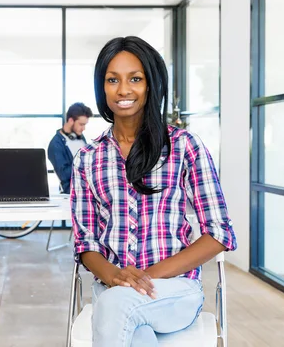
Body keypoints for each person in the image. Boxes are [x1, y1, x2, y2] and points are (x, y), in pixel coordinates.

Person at [70, 36, 237, 346]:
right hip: (112, 289)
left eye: (135, 78)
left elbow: (220, 234)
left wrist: (146, 276)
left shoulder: (185, 147)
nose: (123, 90)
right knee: (136, 332)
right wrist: (116, 276)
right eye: (112, 80)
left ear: (151, 84)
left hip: (174, 291)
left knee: (118, 307)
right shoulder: (88, 158)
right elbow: (85, 243)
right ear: (101, 87)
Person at [47, 102, 93, 194]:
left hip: (89, 189)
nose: (84, 128)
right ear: (71, 121)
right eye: (81, 124)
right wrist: (88, 164)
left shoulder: (80, 137)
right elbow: (64, 174)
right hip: (73, 194)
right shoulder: (56, 144)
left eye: (85, 125)